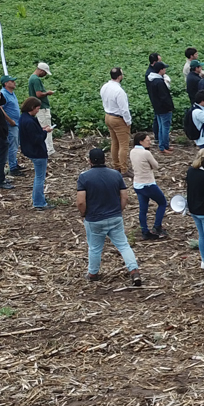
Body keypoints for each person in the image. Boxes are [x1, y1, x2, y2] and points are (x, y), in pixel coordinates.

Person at [76, 147, 141, 286]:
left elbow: (81, 201)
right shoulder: (115, 175)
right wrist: (119, 210)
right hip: (115, 217)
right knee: (123, 245)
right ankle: (134, 270)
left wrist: (84, 213)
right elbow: (125, 196)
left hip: (94, 219)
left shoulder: (84, 177)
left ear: (89, 161)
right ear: (105, 159)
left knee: (95, 248)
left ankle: (93, 273)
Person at [127, 132, 167, 241]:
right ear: (141, 141)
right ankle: (157, 226)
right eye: (147, 140)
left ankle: (144, 231)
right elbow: (156, 166)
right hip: (148, 183)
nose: (150, 142)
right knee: (163, 203)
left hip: (137, 184)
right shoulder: (146, 153)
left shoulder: (132, 151)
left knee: (143, 209)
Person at [18, 97, 52, 210]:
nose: (38, 110)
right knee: (40, 178)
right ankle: (39, 202)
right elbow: (36, 139)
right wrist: (45, 132)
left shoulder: (24, 118)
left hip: (29, 151)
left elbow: (31, 134)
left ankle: (37, 199)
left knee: (38, 177)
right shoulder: (30, 121)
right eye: (37, 108)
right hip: (37, 152)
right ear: (32, 107)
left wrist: (41, 130)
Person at [100, 67, 132, 176]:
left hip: (108, 116)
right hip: (118, 118)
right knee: (124, 144)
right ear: (119, 77)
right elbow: (124, 109)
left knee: (114, 142)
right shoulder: (119, 91)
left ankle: (116, 165)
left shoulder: (105, 87)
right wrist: (128, 121)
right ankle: (124, 169)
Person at [145, 61, 174, 152]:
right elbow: (164, 97)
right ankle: (164, 146)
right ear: (160, 70)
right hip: (164, 109)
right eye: (164, 68)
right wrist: (170, 107)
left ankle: (163, 145)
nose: (165, 70)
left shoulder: (152, 80)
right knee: (165, 128)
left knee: (161, 126)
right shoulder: (160, 82)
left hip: (157, 108)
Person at [28, 61, 54, 156]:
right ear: (41, 71)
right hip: (42, 108)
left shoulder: (32, 78)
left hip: (38, 108)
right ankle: (49, 150)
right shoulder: (36, 79)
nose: (45, 75)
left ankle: (45, 149)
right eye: (45, 72)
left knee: (42, 128)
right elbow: (38, 94)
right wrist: (47, 93)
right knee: (47, 128)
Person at [0, 75, 24, 176]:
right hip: (11, 125)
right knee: (12, 146)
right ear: (6, 84)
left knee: (15, 144)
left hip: (16, 123)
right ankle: (13, 167)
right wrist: (10, 121)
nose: (14, 83)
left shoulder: (11, 93)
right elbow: (0, 108)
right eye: (11, 81)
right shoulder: (3, 94)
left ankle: (14, 163)